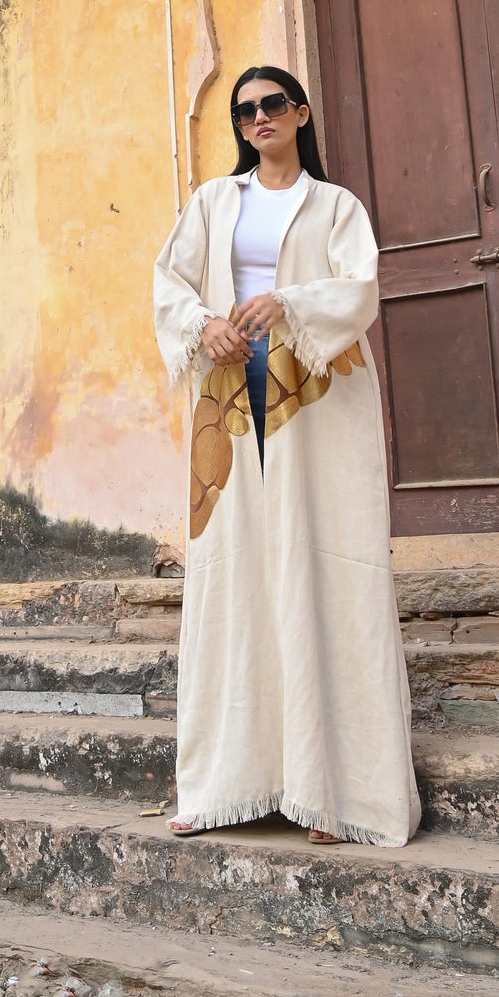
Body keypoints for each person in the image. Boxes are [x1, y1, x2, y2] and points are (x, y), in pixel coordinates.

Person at [152, 64, 420, 846]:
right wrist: (205, 323)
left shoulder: (336, 206)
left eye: (272, 105)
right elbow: (167, 282)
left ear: (299, 112)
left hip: (316, 402)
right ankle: (223, 785)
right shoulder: (212, 202)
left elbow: (358, 288)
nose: (258, 118)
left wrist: (288, 302)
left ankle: (333, 795)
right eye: (244, 112)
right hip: (230, 404)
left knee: (325, 572)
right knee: (232, 579)